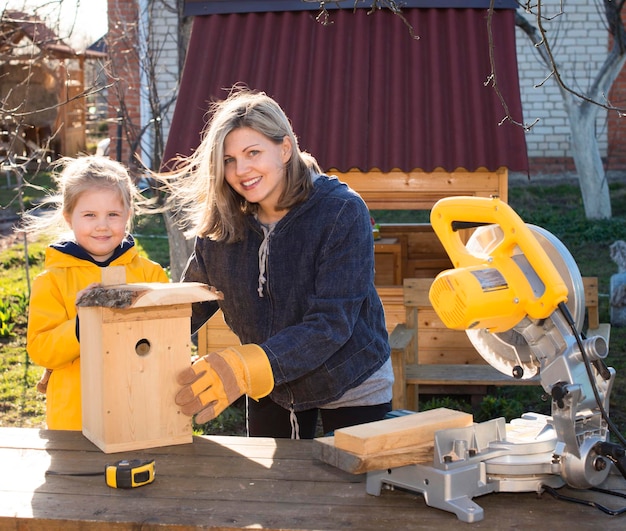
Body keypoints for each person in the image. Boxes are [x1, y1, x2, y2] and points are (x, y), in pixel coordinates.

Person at [167, 88, 393, 439]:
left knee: (351, 493)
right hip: (268, 385)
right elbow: (190, 306)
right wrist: (117, 349)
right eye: (228, 160)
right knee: (270, 492)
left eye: (252, 152)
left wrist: (244, 366)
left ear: (285, 149)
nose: (241, 170)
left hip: (349, 383)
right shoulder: (224, 222)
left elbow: (331, 324)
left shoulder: (342, 212)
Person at [25, 155, 169, 430]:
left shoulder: (150, 274)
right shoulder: (53, 280)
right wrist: (81, 325)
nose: (102, 225)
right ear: (69, 218)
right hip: (75, 419)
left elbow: (167, 338)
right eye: (89, 215)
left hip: (138, 411)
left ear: (128, 215)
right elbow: (41, 349)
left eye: (112, 214)